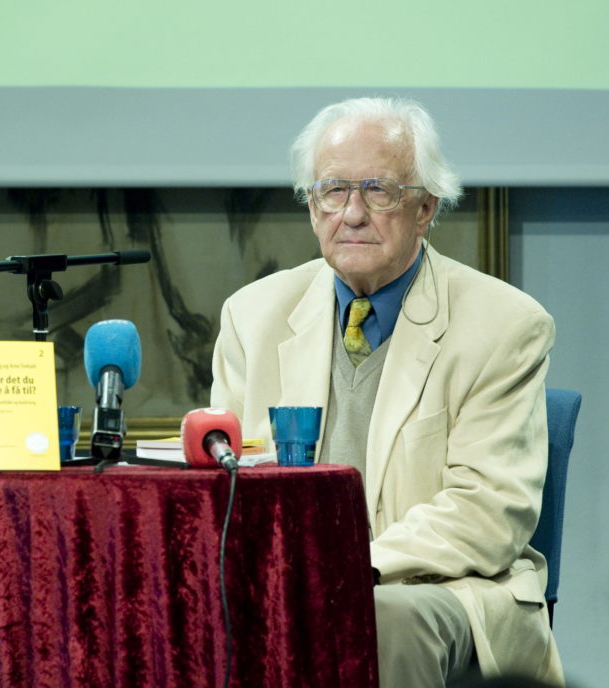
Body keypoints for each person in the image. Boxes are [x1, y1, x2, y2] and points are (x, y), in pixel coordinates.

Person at [210, 97, 563, 687]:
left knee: (380, 618)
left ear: (425, 208)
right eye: (333, 191)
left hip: (448, 588)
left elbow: (488, 512)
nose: (352, 214)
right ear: (311, 207)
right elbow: (227, 487)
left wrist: (348, 569)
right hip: (291, 582)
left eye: (378, 191)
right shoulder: (253, 316)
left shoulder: (505, 324)